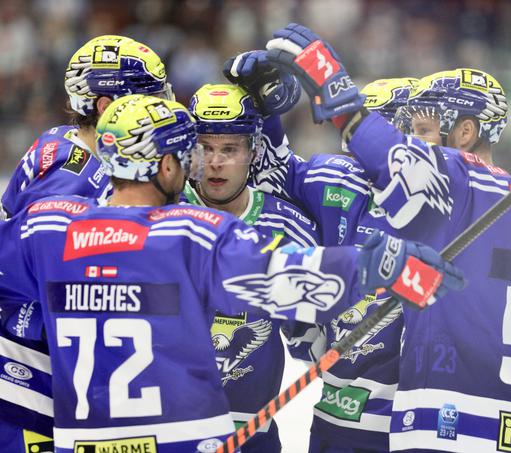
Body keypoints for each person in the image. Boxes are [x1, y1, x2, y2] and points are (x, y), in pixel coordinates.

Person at [0, 93, 463, 453]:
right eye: (187, 158)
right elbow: (288, 278)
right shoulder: (190, 233)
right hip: (185, 439)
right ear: (165, 165)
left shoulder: (49, 229)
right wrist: (382, 264)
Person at [264, 23, 511, 452]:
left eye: (422, 129)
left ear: (463, 133)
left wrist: (331, 82)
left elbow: (385, 154)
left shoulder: (455, 181)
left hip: (445, 423)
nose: (412, 141)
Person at [225, 52, 418, 453]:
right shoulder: (336, 179)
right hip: (339, 412)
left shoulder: (443, 199)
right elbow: (273, 171)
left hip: (416, 416)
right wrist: (264, 105)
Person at [0, 34, 174, 452]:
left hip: (60, 382)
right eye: (151, 96)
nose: (163, 106)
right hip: (30, 385)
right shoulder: (71, 170)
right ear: (105, 106)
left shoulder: (86, 152)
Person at [185, 82, 321, 452]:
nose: (215, 162)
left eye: (229, 149)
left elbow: (311, 342)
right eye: (204, 148)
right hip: (169, 430)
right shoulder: (160, 214)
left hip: (250, 437)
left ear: (254, 150)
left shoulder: (288, 227)